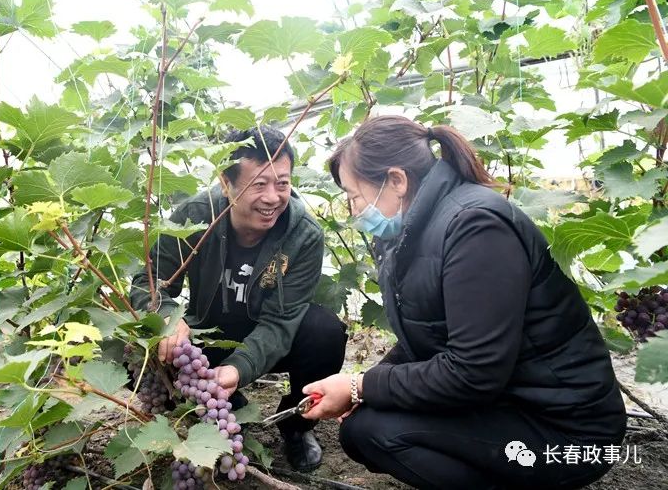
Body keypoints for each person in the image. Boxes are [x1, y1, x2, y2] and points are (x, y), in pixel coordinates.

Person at [301, 115, 626, 489]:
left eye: (355, 195)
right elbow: (424, 339)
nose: (353, 209)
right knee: (366, 422)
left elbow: (475, 371)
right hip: (511, 400)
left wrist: (361, 386)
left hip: (568, 429)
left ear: (396, 180)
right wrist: (363, 386)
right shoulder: (414, 232)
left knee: (375, 431)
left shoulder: (476, 227)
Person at [130, 126, 347, 472]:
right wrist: (168, 317)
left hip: (272, 337)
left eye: (283, 184)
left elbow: (280, 321)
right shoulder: (196, 216)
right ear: (226, 182)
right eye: (258, 184)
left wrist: (239, 367)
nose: (273, 197)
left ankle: (296, 426)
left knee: (325, 331)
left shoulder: (303, 234)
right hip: (209, 336)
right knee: (135, 344)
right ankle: (223, 412)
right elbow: (148, 283)